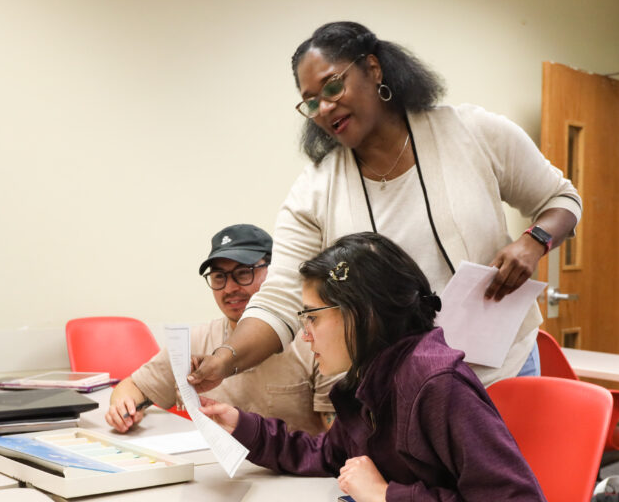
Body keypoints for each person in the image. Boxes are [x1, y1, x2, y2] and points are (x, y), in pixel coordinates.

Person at [189, 21, 581, 393]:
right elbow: (279, 301)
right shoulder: (314, 191)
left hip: (505, 372)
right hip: (403, 391)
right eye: (310, 103)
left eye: (332, 87)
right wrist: (225, 361)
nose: (323, 108)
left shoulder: (474, 133)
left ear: (373, 69)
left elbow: (561, 198)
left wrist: (534, 241)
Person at [198, 232, 555, 502]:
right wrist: (244, 427)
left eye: (314, 317)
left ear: (362, 313)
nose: (305, 335)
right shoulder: (369, 376)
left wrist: (387, 498)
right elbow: (327, 455)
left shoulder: (437, 384)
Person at [105, 224, 333, 436]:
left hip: (293, 475)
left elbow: (339, 438)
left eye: (243, 273)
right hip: (215, 473)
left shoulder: (313, 342)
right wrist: (124, 408)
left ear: (275, 275)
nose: (230, 288)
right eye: (219, 277)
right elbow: (133, 386)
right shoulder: (197, 342)